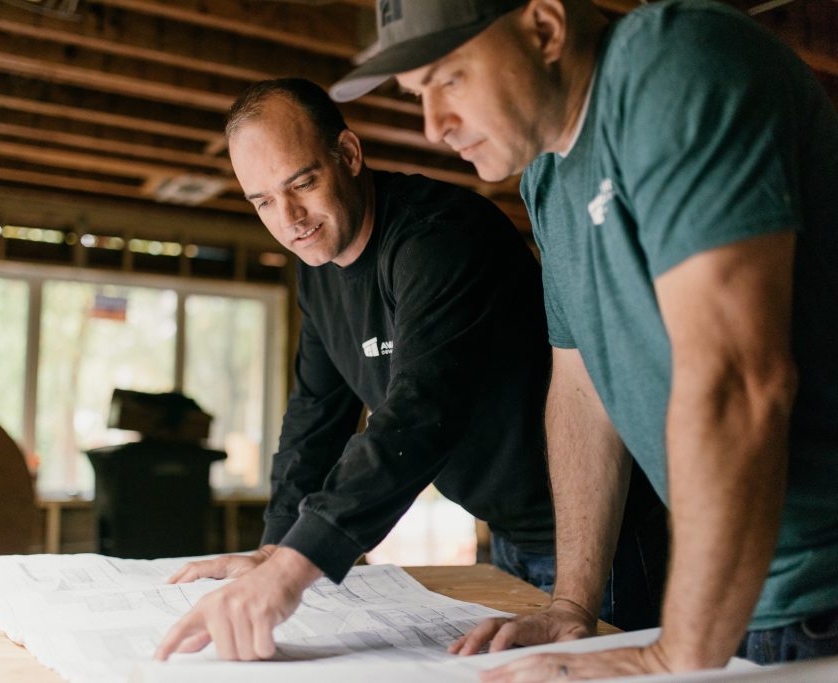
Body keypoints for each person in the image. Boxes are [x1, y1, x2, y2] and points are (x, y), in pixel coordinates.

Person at [331, 0, 838, 678]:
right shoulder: (548, 176)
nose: (433, 127)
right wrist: (572, 600)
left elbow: (740, 379)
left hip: (820, 582)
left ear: (544, 28)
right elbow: (580, 387)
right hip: (743, 591)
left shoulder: (672, 62)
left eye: (450, 78)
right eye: (417, 95)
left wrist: (673, 655)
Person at [155, 78, 665, 662]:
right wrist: (274, 548)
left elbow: (419, 416)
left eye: (302, 183)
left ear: (348, 155)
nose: (289, 217)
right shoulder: (317, 272)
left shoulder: (441, 237)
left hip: (608, 536)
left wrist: (297, 568)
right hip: (510, 534)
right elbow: (314, 419)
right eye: (263, 201)